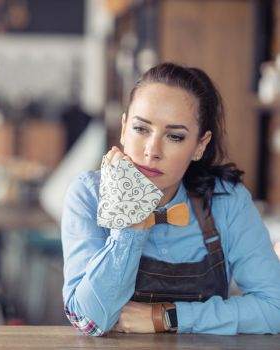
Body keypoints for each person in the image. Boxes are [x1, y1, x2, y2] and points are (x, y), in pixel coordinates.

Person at [61, 62, 280, 335]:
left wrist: (166, 317)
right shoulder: (88, 195)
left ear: (200, 145)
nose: (152, 150)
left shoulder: (227, 199)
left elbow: (275, 307)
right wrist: (130, 227)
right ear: (123, 127)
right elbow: (89, 321)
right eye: (141, 129)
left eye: (174, 136)